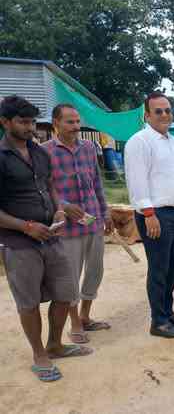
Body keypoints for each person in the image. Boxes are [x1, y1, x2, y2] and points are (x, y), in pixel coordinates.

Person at [0, 96, 91, 383]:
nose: (30, 128)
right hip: (19, 243)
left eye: (32, 122)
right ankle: (39, 354)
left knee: (65, 292)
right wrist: (26, 226)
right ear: (5, 122)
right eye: (23, 122)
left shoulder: (39, 153)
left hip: (51, 236)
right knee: (28, 301)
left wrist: (59, 210)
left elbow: (49, 185)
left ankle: (55, 345)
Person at [43, 104, 114, 344]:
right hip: (67, 228)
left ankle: (85, 316)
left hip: (92, 220)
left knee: (95, 271)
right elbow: (42, 188)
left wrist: (105, 212)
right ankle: (74, 323)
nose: (75, 127)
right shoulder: (44, 152)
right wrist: (63, 205)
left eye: (77, 122)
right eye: (69, 122)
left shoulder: (89, 148)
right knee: (70, 277)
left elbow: (97, 183)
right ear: (56, 123)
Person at [124, 91, 174, 338]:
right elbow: (137, 181)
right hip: (155, 214)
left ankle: (168, 312)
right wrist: (149, 213)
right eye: (158, 111)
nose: (164, 115)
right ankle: (159, 322)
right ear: (147, 115)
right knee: (159, 269)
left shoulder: (173, 141)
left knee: (171, 267)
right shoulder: (139, 142)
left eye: (168, 110)